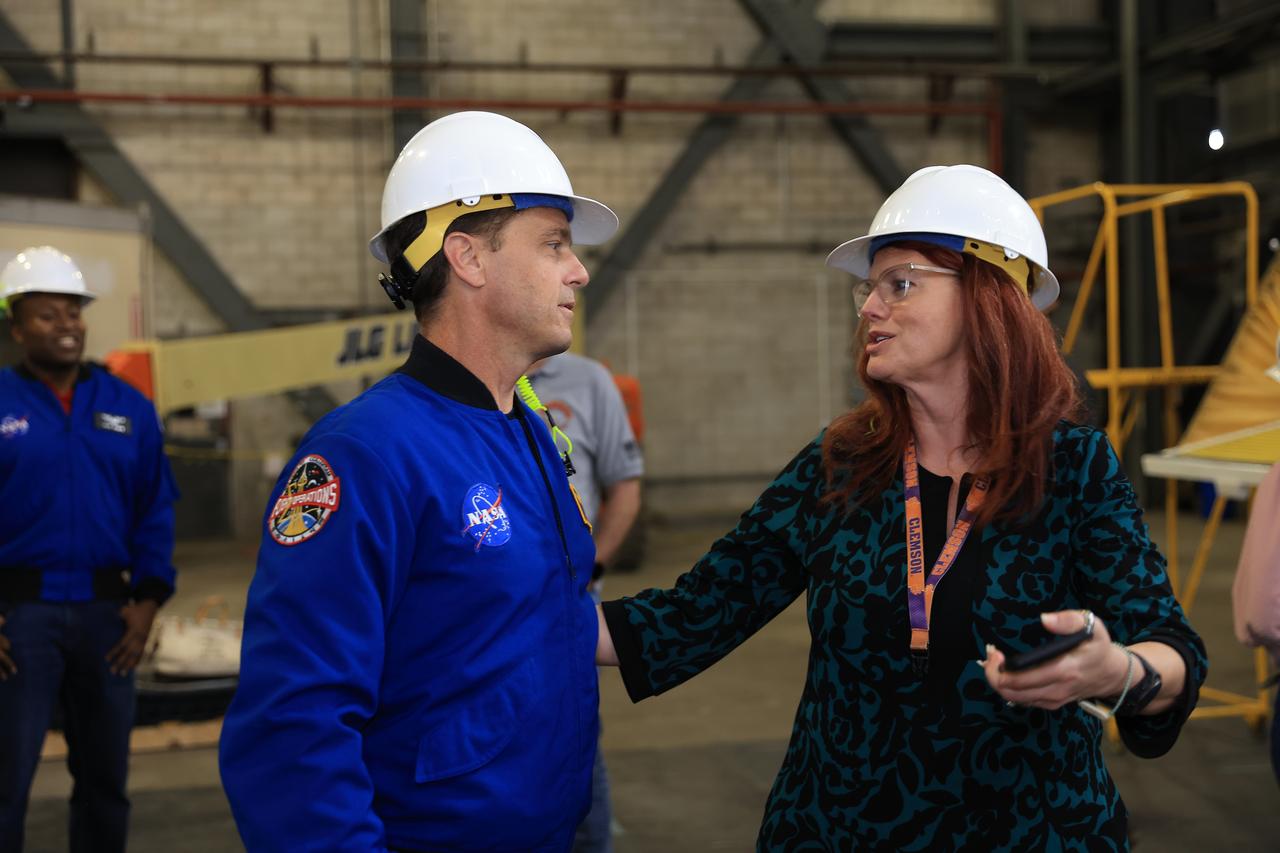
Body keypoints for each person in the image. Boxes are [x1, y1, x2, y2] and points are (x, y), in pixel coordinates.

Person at [595, 165, 1207, 850]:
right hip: (839, 830)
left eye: (900, 283)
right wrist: (510, 614)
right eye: (870, 286)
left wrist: (1118, 669)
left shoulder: (1074, 469)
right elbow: (693, 612)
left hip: (1029, 831)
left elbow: (1173, 649)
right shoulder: (841, 466)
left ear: (987, 298)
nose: (868, 308)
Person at [218, 111, 619, 852]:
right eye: (554, 244)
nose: (578, 270)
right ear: (467, 257)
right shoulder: (362, 456)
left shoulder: (530, 433)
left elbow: (540, 619)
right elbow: (291, 728)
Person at [0, 246, 179, 853]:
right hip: (19, 622)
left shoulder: (127, 408)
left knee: (106, 781)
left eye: (73, 312)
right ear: (18, 327)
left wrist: (150, 598)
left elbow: (155, 506)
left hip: (110, 621)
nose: (67, 325)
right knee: (7, 779)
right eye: (47, 315)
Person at [527, 353, 644, 853]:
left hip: (573, 594)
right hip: (491, 604)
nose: (575, 276)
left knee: (573, 736)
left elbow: (625, 488)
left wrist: (593, 569)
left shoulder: (589, 382)